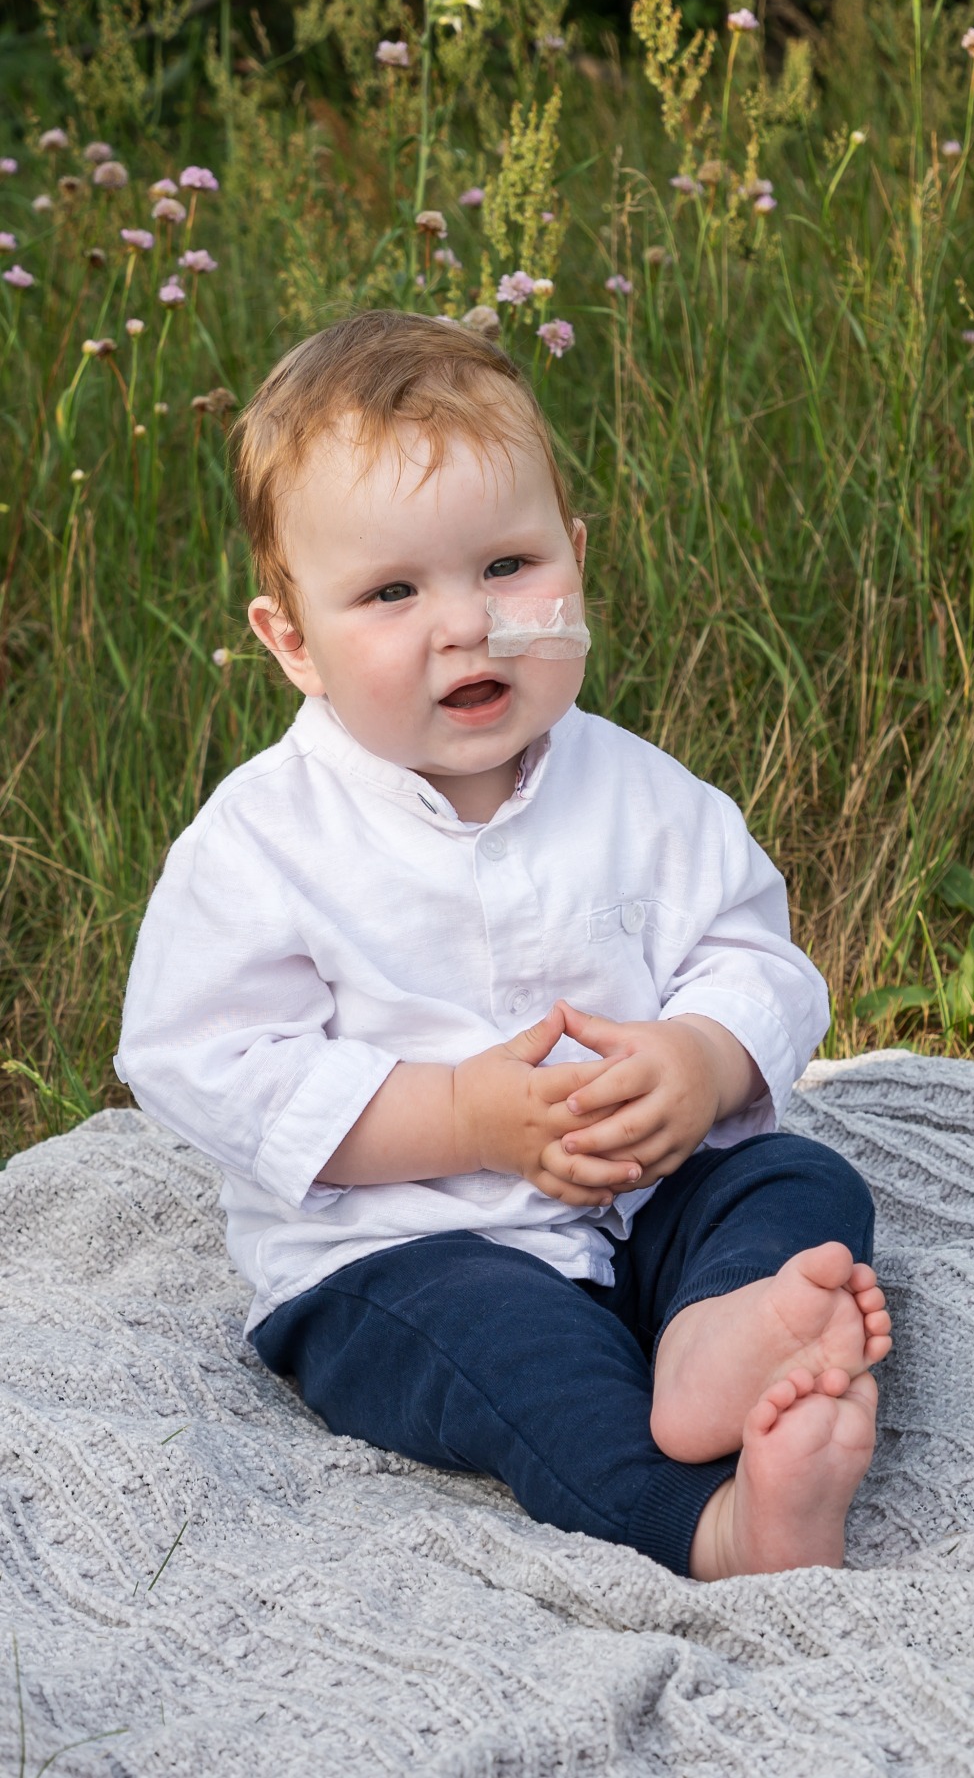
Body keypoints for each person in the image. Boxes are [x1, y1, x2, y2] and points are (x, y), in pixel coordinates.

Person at [115, 310, 892, 1580]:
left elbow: (756, 953)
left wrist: (700, 1059)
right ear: (293, 639)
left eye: (507, 566)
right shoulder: (264, 840)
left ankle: (710, 1327)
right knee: (519, 1361)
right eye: (391, 593)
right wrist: (462, 1119)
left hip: (642, 1202)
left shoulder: (641, 792)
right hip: (405, 1246)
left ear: (574, 561)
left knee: (801, 1187)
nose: (466, 625)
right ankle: (710, 1521)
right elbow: (199, 1055)